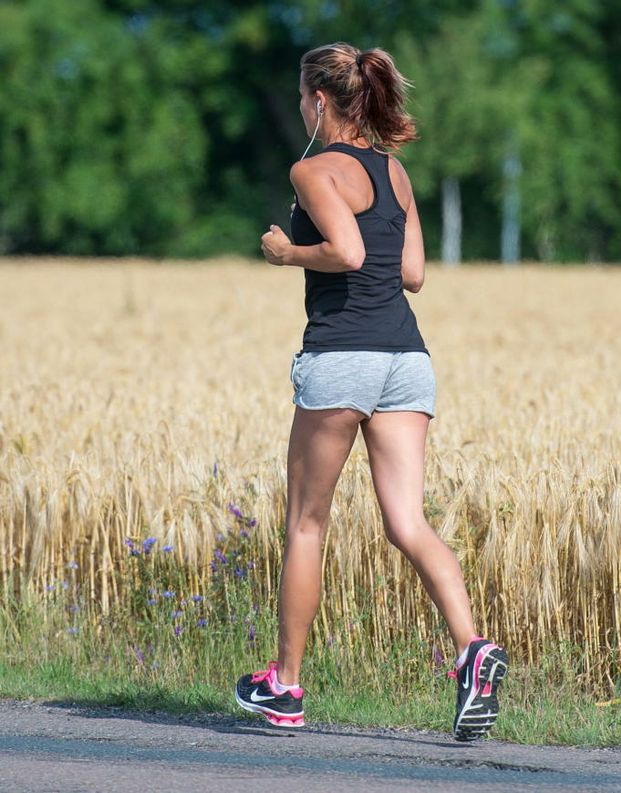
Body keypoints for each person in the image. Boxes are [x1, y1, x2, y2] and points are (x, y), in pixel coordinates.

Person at [234, 42, 507, 742]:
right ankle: (472, 647)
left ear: (319, 101)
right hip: (407, 360)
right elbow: (412, 272)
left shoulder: (312, 169)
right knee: (408, 522)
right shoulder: (394, 170)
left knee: (306, 522)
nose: (302, 108)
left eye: (303, 98)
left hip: (342, 356)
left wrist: (286, 252)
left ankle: (285, 685)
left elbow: (347, 253)